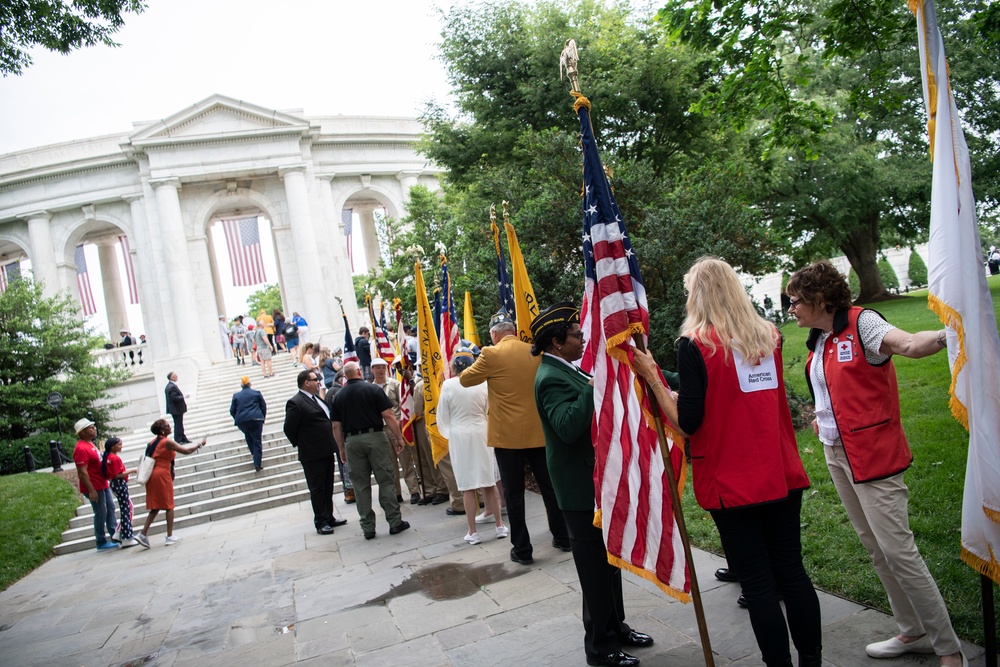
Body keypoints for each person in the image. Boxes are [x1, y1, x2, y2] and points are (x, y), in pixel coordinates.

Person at [635, 257, 822, 667]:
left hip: (731, 480)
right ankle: (811, 659)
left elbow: (688, 423)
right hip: (780, 471)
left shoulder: (695, 344)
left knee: (757, 582)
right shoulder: (769, 335)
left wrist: (652, 377)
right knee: (792, 572)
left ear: (697, 295)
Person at [786, 260, 964, 667]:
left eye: (795, 301)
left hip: (873, 457)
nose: (791, 309)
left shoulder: (861, 323)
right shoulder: (821, 335)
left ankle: (949, 649)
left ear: (818, 300)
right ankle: (912, 630)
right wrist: (821, 417)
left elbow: (907, 344)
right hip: (837, 453)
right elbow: (834, 385)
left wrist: (946, 333)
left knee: (899, 552)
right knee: (875, 549)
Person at [530, 302, 654, 667]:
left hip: (596, 480)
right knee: (594, 569)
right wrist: (595, 380)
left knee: (609, 559)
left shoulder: (566, 367)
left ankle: (617, 627)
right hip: (578, 488)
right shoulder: (549, 376)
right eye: (575, 335)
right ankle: (600, 646)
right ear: (555, 341)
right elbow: (567, 427)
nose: (583, 339)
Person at [459, 309, 570, 566]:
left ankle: (523, 549)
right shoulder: (534, 351)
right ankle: (562, 537)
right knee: (550, 488)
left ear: (494, 334)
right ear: (513, 331)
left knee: (514, 494)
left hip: (507, 437)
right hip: (539, 432)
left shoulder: (490, 353)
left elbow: (465, 380)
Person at [330, 361, 409, 540]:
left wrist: (341, 448)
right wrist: (398, 437)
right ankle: (395, 522)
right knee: (385, 480)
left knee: (360, 485)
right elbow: (388, 415)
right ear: (359, 371)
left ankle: (368, 527)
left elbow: (335, 425)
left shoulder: (339, 396)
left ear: (345, 375)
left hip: (352, 441)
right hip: (375, 437)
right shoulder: (373, 389)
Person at [438, 350, 507, 545]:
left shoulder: (448, 385)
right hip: (481, 431)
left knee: (467, 486)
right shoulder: (483, 383)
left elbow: (442, 416)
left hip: (460, 434)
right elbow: (489, 409)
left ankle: (472, 531)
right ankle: (499, 525)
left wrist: (450, 434)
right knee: (488, 481)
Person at [283, 370, 349, 535]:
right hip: (312, 453)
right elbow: (289, 428)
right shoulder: (296, 402)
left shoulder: (316, 399)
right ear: (306, 382)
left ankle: (329, 516)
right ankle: (321, 521)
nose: (319, 382)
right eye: (315, 379)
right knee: (317, 488)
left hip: (326, 450)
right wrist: (304, 443)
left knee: (327, 485)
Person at [135, 419, 205, 548]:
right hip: (161, 474)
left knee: (155, 507)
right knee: (168, 505)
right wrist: (199, 444)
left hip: (153, 475)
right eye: (167, 426)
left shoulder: (152, 442)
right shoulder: (166, 442)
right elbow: (186, 451)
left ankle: (143, 533)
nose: (170, 427)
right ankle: (169, 535)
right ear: (162, 430)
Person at [371, 357, 420, 504]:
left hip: (397, 426)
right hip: (381, 429)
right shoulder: (371, 388)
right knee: (388, 464)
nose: (380, 370)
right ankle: (396, 493)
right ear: (372, 369)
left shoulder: (395, 384)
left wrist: (400, 423)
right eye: (377, 367)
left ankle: (414, 491)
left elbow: (403, 404)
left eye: (383, 367)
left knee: (405, 461)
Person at [73, 418, 119, 552]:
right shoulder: (81, 448)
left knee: (110, 508)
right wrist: (91, 490)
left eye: (93, 426)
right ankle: (101, 540)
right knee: (100, 512)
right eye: (90, 428)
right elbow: (82, 472)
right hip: (94, 485)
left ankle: (115, 535)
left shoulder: (90, 444)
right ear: (82, 432)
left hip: (102, 483)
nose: (94, 429)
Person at [101, 437, 137, 548]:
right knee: (126, 509)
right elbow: (118, 474)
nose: (121, 446)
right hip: (119, 484)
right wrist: (133, 470)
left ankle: (120, 532)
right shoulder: (114, 458)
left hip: (115, 484)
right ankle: (126, 536)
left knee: (126, 508)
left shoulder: (108, 457)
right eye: (119, 445)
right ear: (113, 446)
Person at [230, 376, 267, 471]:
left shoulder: (236, 396)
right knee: (257, 440)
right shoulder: (256, 393)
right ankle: (257, 463)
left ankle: (254, 453)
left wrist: (237, 418)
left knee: (248, 435)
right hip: (256, 418)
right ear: (250, 384)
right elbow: (263, 406)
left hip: (242, 421)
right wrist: (262, 417)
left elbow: (232, 410)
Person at [164, 372, 190, 443]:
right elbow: (174, 398)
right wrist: (184, 397)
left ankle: (183, 438)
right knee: (178, 424)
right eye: (175, 376)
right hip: (176, 409)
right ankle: (179, 439)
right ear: (171, 377)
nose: (177, 377)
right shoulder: (171, 386)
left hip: (176, 409)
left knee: (179, 424)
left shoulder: (170, 386)